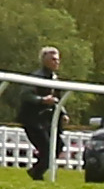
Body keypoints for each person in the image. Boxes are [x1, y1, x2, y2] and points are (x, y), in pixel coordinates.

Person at [16, 46, 67, 180]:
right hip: (32, 119)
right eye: (53, 59)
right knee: (47, 148)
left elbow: (57, 100)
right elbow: (25, 95)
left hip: (47, 120)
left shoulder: (55, 79)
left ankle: (35, 171)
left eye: (57, 60)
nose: (56, 62)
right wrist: (42, 100)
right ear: (44, 60)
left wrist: (63, 113)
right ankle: (37, 174)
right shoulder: (35, 77)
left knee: (59, 146)